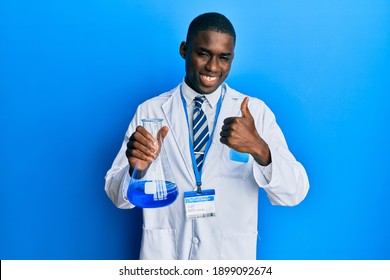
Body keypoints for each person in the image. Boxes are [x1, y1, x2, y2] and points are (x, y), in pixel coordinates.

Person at [105, 12, 309, 260]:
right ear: (184, 49)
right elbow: (118, 197)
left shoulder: (254, 112)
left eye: (224, 58)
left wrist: (260, 149)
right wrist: (136, 171)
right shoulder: (150, 111)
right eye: (203, 53)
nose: (213, 67)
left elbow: (295, 193)